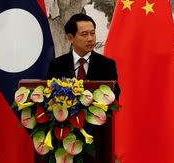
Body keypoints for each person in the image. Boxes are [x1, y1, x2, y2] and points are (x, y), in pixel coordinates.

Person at [46, 13, 119, 163]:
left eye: (92, 33)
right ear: (70, 37)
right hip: (65, 135)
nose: (90, 38)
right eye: (84, 34)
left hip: (97, 136)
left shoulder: (107, 65)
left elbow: (115, 95)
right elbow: (48, 98)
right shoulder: (57, 65)